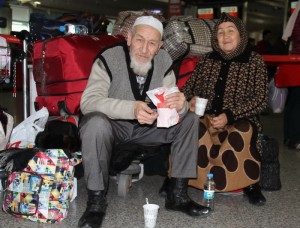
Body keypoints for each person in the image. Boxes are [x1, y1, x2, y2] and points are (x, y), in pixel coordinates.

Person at [78, 16, 210, 228]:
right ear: (129, 38)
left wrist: (181, 104)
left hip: (148, 127)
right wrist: (131, 108)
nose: (144, 49)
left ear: (160, 46)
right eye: (139, 40)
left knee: (190, 119)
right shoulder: (108, 58)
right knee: (94, 123)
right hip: (113, 126)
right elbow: (89, 102)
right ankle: (95, 203)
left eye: (152, 43)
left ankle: (177, 195)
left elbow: (172, 99)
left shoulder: (164, 61)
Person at [182, 13, 268, 206]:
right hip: (208, 117)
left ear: (241, 35)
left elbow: (261, 99)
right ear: (215, 37)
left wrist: (229, 116)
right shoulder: (206, 60)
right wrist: (190, 99)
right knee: (189, 126)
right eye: (220, 32)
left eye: (231, 31)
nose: (225, 36)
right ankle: (179, 181)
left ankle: (250, 184)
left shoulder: (254, 61)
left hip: (240, 118)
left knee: (242, 131)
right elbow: (188, 89)